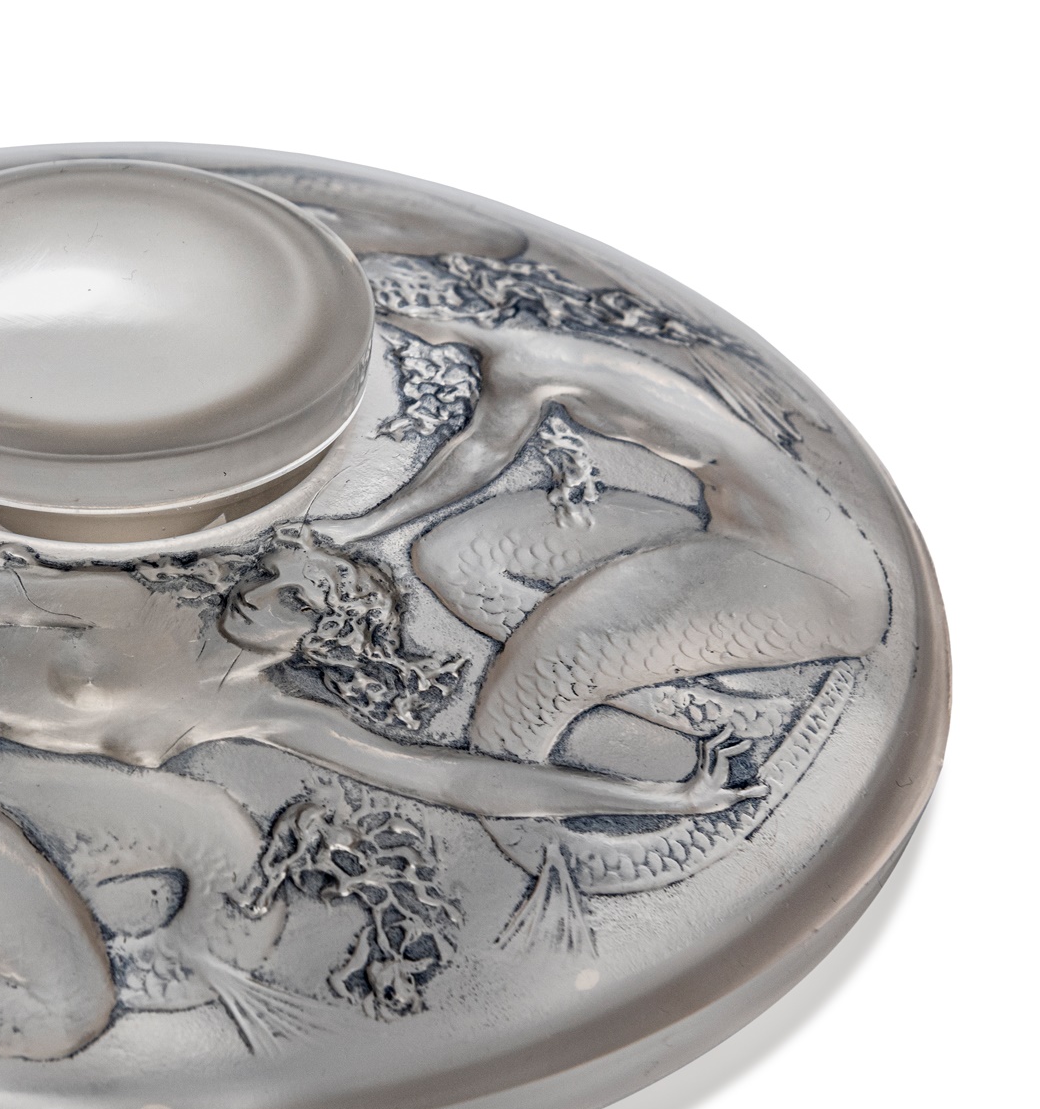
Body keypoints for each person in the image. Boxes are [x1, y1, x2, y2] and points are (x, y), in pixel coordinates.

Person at [0, 524, 763, 1058]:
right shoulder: (133, 601)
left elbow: (447, 775)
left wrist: (652, 801)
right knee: (65, 1003)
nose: (261, 592)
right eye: (265, 570)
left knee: (64, 994)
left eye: (295, 594)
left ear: (327, 627)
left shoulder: (266, 712)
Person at [325, 256, 891, 762]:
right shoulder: (549, 333)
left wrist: (368, 523)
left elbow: (478, 457)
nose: (399, 336)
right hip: (730, 523)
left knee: (535, 684)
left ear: (417, 310)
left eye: (390, 320)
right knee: (452, 554)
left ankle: (536, 808)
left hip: (807, 572)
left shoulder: (524, 360)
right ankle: (697, 704)